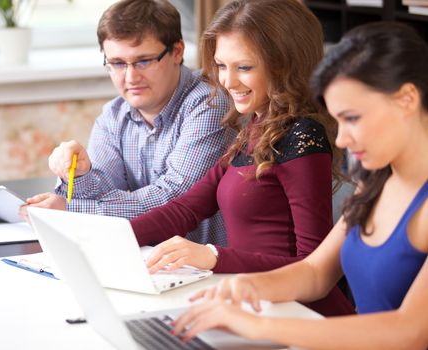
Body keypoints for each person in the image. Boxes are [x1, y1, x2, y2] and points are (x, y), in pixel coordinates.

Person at [172, 22, 428, 349]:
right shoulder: (375, 182)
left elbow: (411, 331)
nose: (342, 139)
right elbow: (316, 273)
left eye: (353, 118)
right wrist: (249, 287)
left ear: (406, 99)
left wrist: (258, 326)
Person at [130, 0, 353, 316]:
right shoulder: (258, 126)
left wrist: (213, 256)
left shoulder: (303, 136)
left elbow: (311, 264)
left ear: (284, 64)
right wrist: (110, 240)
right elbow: (185, 210)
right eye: (222, 65)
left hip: (299, 312)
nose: (227, 81)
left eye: (244, 67)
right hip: (255, 301)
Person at [21, 0, 234, 245]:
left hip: (209, 269)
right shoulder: (113, 116)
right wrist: (80, 175)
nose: (131, 77)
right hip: (144, 259)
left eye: (143, 61)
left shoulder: (210, 103)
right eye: (118, 64)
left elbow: (173, 198)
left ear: (177, 51)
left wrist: (71, 209)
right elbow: (103, 196)